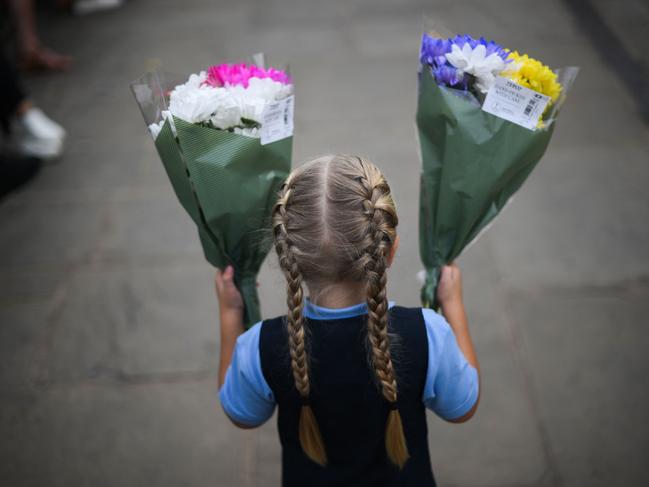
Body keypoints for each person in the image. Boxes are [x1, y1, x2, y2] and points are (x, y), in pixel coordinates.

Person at [216, 155, 480, 486]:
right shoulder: (426, 333)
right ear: (389, 252)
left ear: (287, 261)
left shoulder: (261, 344)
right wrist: (453, 304)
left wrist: (229, 314)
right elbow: (462, 407)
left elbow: (241, 412)